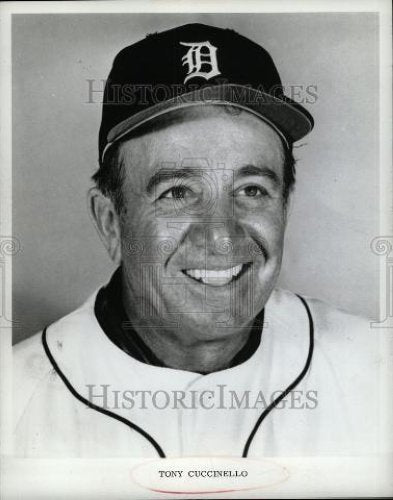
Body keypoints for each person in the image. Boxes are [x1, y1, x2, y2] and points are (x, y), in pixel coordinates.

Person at [13, 23, 378, 458]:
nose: (222, 236)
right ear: (111, 222)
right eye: (178, 193)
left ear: (285, 205)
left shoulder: (375, 369)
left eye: (252, 190)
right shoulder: (14, 398)